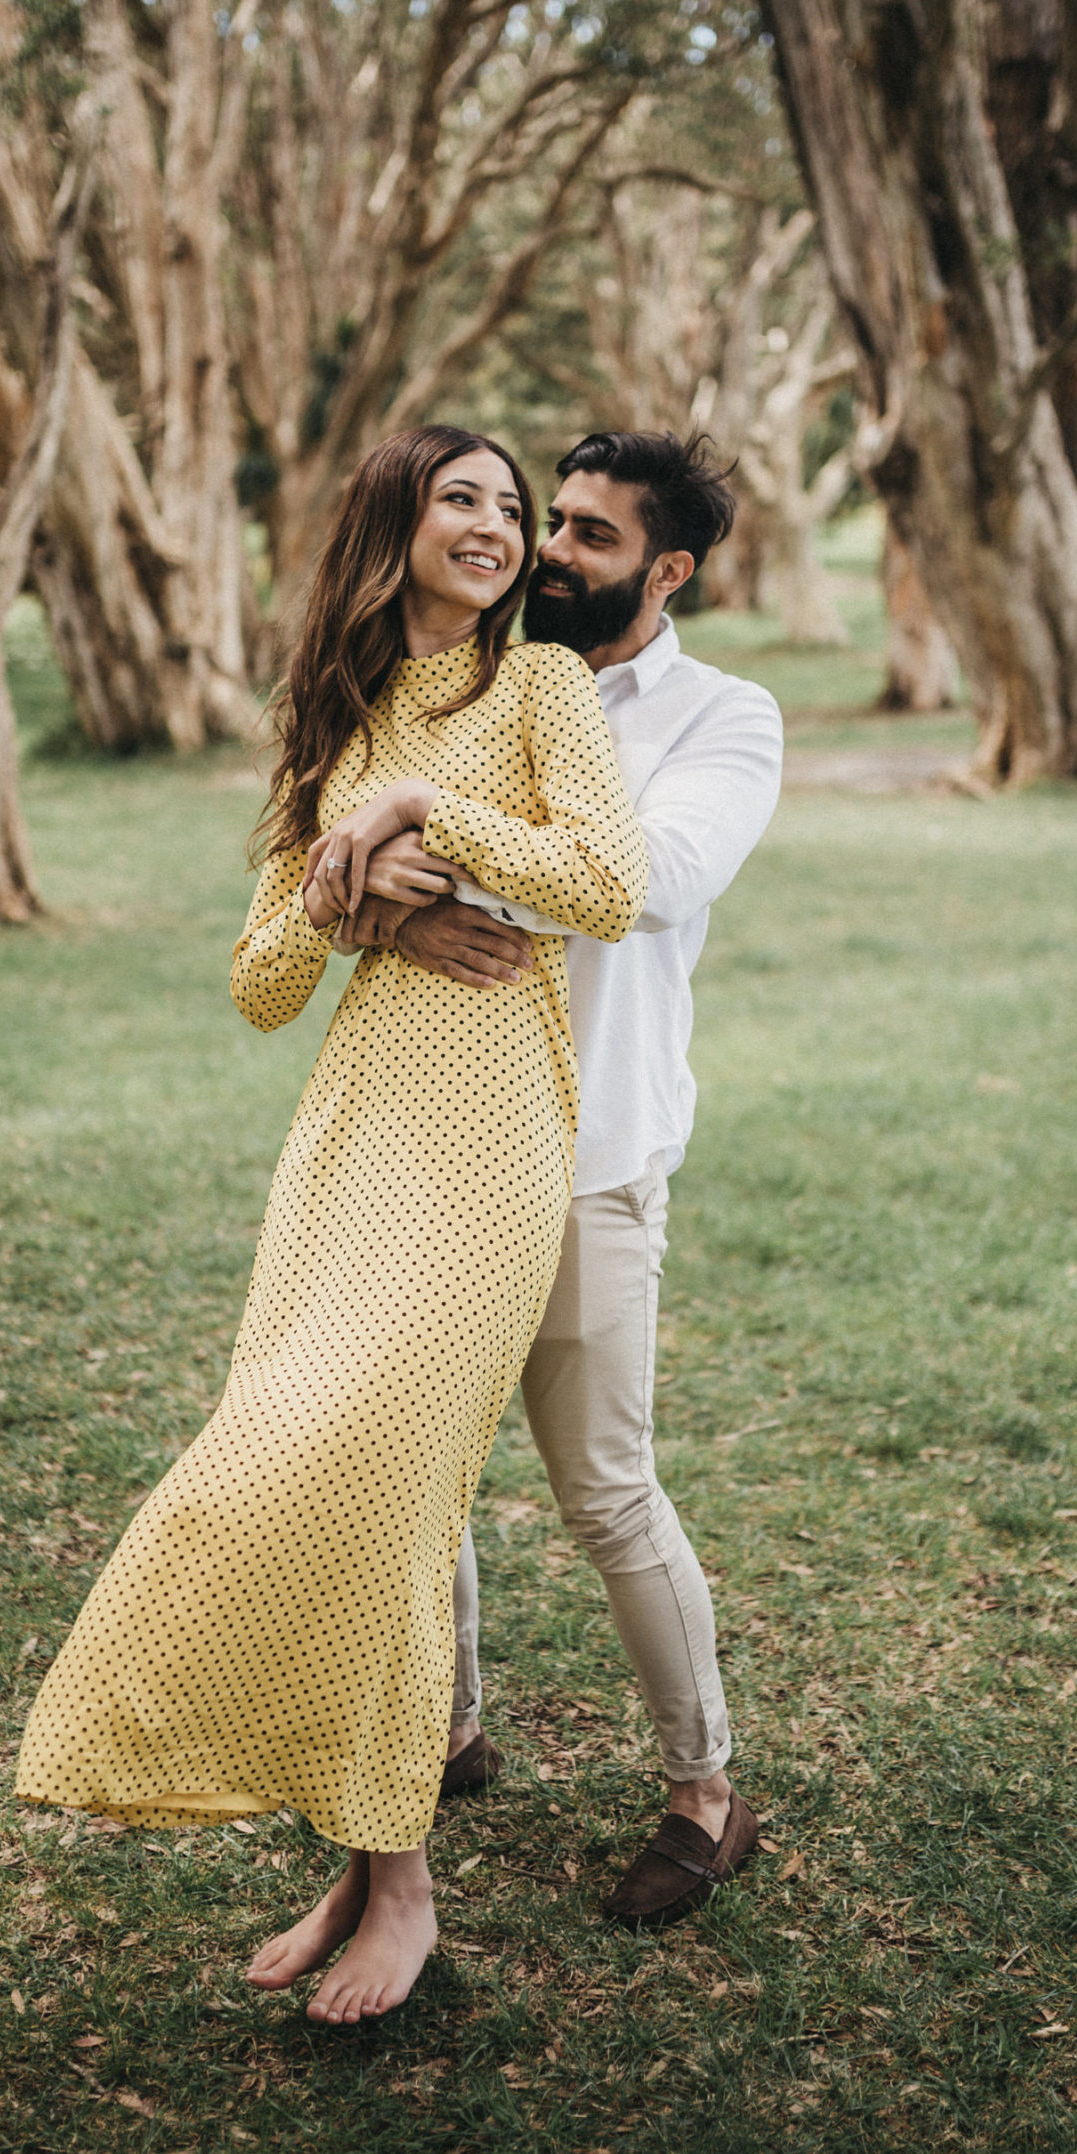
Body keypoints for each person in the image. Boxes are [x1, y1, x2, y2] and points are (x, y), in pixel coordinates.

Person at [15, 426, 647, 2023]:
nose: (498, 528)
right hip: (353, 1138)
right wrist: (334, 899)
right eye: (465, 501)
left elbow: (606, 882)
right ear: (394, 520)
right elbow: (256, 990)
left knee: (373, 1471)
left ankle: (404, 1885)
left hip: (495, 1128)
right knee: (308, 1459)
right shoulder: (329, 718)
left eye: (513, 509)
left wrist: (434, 818)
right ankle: (365, 1867)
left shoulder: (541, 695)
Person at [361, 431, 784, 1926]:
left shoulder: (725, 719)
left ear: (665, 571)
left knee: (602, 1489)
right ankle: (448, 1728)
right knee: (420, 1474)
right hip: (426, 1145)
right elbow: (336, 860)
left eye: (590, 539)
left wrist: (431, 830)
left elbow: (644, 882)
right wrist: (386, 914)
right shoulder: (463, 677)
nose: (548, 553)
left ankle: (704, 1795)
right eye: (553, 522)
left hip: (590, 1158)